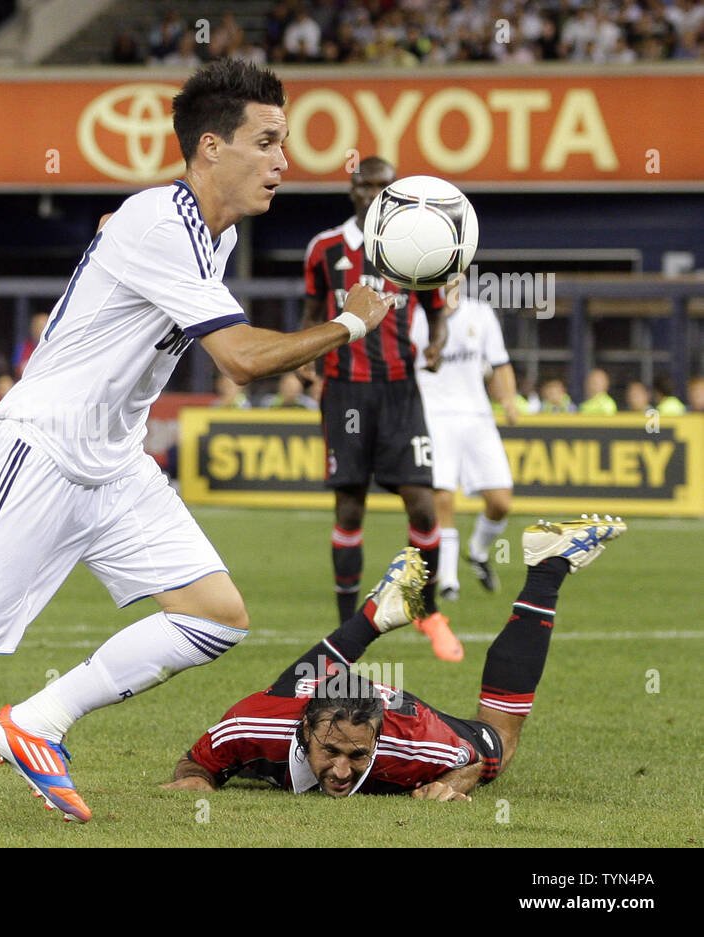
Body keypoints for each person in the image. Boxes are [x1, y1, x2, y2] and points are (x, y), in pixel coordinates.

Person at [0, 60, 398, 828]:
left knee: (216, 615)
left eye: (286, 141)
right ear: (210, 148)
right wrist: (353, 320)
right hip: (41, 451)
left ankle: (36, 722)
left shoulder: (211, 236)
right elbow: (237, 357)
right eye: (266, 141)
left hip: (114, 464)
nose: (284, 160)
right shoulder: (160, 223)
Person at [165, 515, 626, 799]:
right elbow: (194, 762)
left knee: (501, 743)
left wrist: (454, 782)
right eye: (330, 751)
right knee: (291, 685)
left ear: (378, 741)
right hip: (302, 699)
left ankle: (547, 568)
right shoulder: (249, 726)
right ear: (304, 730)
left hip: (401, 712)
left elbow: (476, 759)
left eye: (357, 754)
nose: (341, 772)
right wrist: (197, 780)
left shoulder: (415, 744)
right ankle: (372, 615)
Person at [300, 155, 456, 661]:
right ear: (353, 189)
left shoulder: (418, 247)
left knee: (423, 503)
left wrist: (436, 344)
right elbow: (311, 311)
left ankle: (428, 612)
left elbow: (436, 314)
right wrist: (307, 359)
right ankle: (347, 630)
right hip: (345, 390)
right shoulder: (324, 248)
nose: (374, 193)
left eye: (385, 186)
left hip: (399, 390)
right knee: (349, 506)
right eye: (366, 185)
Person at [410, 293, 517, 600]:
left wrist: (508, 400)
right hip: (434, 413)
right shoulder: (416, 315)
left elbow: (500, 363)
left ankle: (478, 550)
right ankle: (448, 580)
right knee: (443, 497)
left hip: (477, 416)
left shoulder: (480, 313)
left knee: (501, 501)